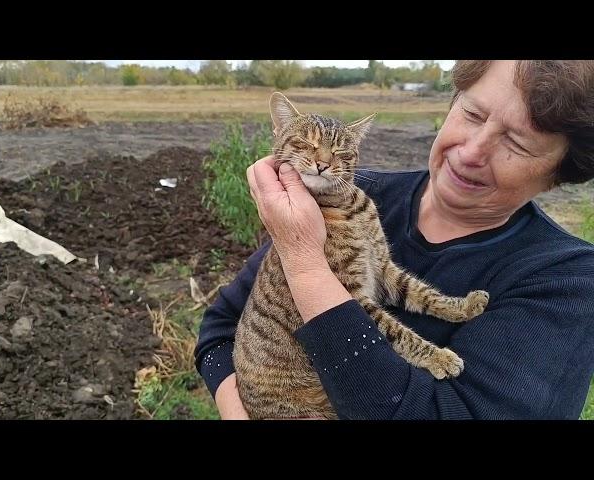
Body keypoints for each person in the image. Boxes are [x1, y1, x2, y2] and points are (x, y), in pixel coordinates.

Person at [195, 60, 594, 419]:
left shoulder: (568, 281)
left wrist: (304, 260)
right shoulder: (334, 199)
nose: (471, 152)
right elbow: (219, 330)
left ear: (558, 174)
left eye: (517, 142)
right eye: (473, 113)